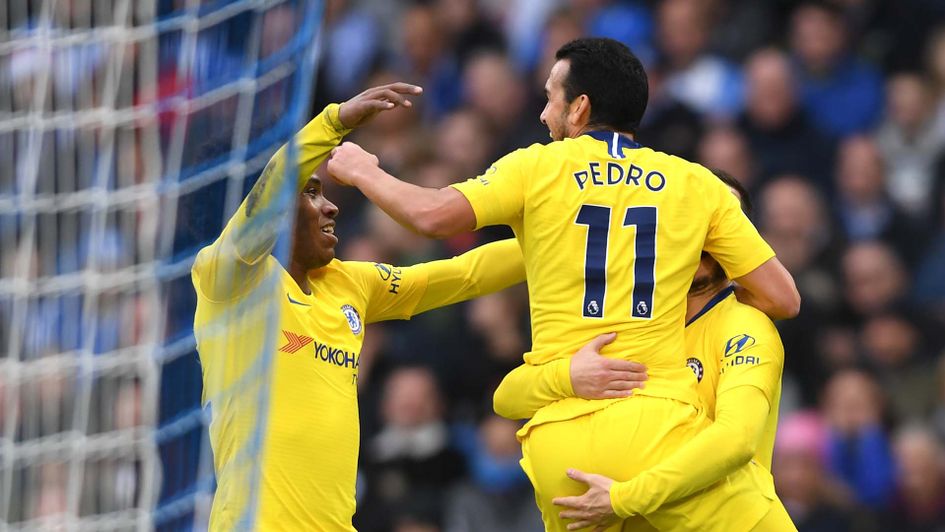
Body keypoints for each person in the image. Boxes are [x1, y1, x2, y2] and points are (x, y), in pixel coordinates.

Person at [327, 38, 800, 531]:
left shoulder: (536, 170)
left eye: (551, 97)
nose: (541, 114)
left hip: (558, 448)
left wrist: (364, 171)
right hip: (655, 429)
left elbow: (432, 218)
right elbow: (782, 298)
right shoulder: (696, 184)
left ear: (580, 107)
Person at [191, 83, 526, 530]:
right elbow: (267, 196)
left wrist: (560, 240)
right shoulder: (227, 283)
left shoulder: (349, 283)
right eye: (310, 193)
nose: (330, 207)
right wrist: (334, 123)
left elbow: (464, 274)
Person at [493, 171, 794, 530]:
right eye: (693, 217)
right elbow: (508, 399)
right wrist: (568, 377)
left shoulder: (745, 328)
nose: (705, 236)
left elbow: (736, 439)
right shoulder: (626, 320)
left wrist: (622, 499)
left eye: (723, 224)